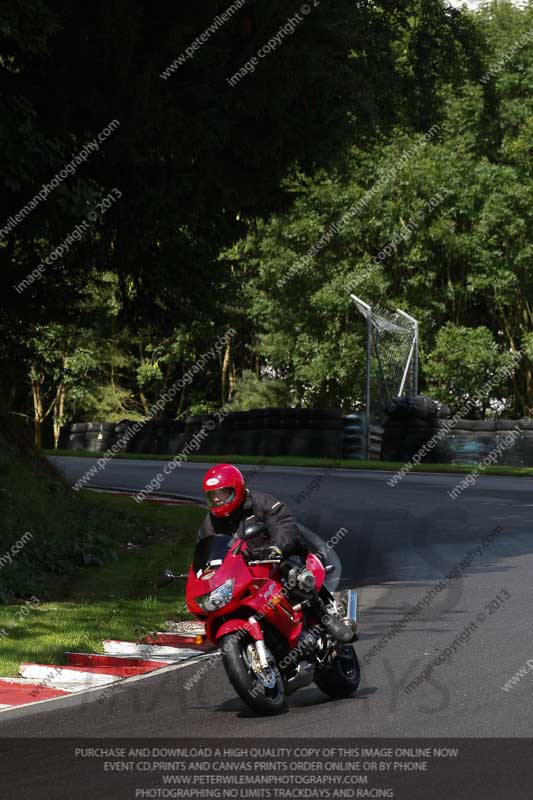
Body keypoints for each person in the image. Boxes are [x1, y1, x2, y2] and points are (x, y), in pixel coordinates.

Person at [197, 463, 356, 643]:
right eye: (213, 496)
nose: (217, 500)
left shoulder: (262, 503)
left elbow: (284, 525)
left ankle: (324, 618)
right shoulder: (209, 524)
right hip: (245, 571)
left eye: (222, 494)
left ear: (237, 489)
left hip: (279, 557)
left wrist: (276, 547)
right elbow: (206, 550)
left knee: (292, 573)